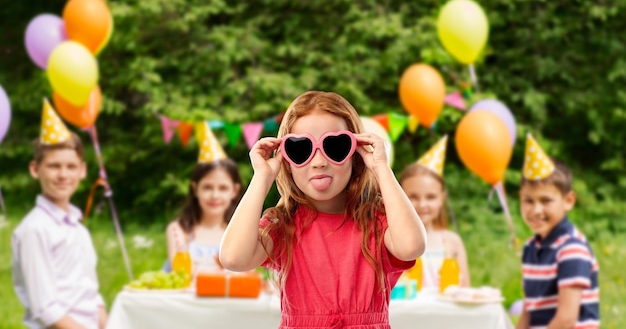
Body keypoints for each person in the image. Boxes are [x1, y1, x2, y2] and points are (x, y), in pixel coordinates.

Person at [220, 90, 427, 328]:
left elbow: (412, 246)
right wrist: (262, 178)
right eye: (301, 149)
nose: (319, 161)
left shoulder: (376, 221)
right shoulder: (284, 225)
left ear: (355, 153)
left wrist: (380, 168)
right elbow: (233, 258)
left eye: (335, 146)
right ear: (287, 161)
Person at [12, 100, 107, 329]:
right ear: (35, 169)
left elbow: (90, 291)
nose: (63, 175)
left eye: (71, 167)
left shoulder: (77, 227)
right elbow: (45, 309)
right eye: (54, 166)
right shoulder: (35, 229)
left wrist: (105, 322)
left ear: (82, 171)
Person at [516, 134, 599, 329]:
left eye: (545, 201)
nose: (536, 210)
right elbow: (529, 310)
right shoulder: (531, 247)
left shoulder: (571, 249)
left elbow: (566, 319)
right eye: (528, 201)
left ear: (568, 201)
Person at [165, 122, 243, 275]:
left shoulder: (239, 233)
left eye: (223, 188)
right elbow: (181, 273)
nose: (215, 195)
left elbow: (247, 273)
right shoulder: (179, 230)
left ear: (234, 190)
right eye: (207, 187)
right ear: (195, 189)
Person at [398, 135, 470, 290]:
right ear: (400, 197)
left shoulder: (452, 242)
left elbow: (465, 290)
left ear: (442, 199)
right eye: (413, 197)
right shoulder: (394, 241)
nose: (422, 204)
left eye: (430, 197)